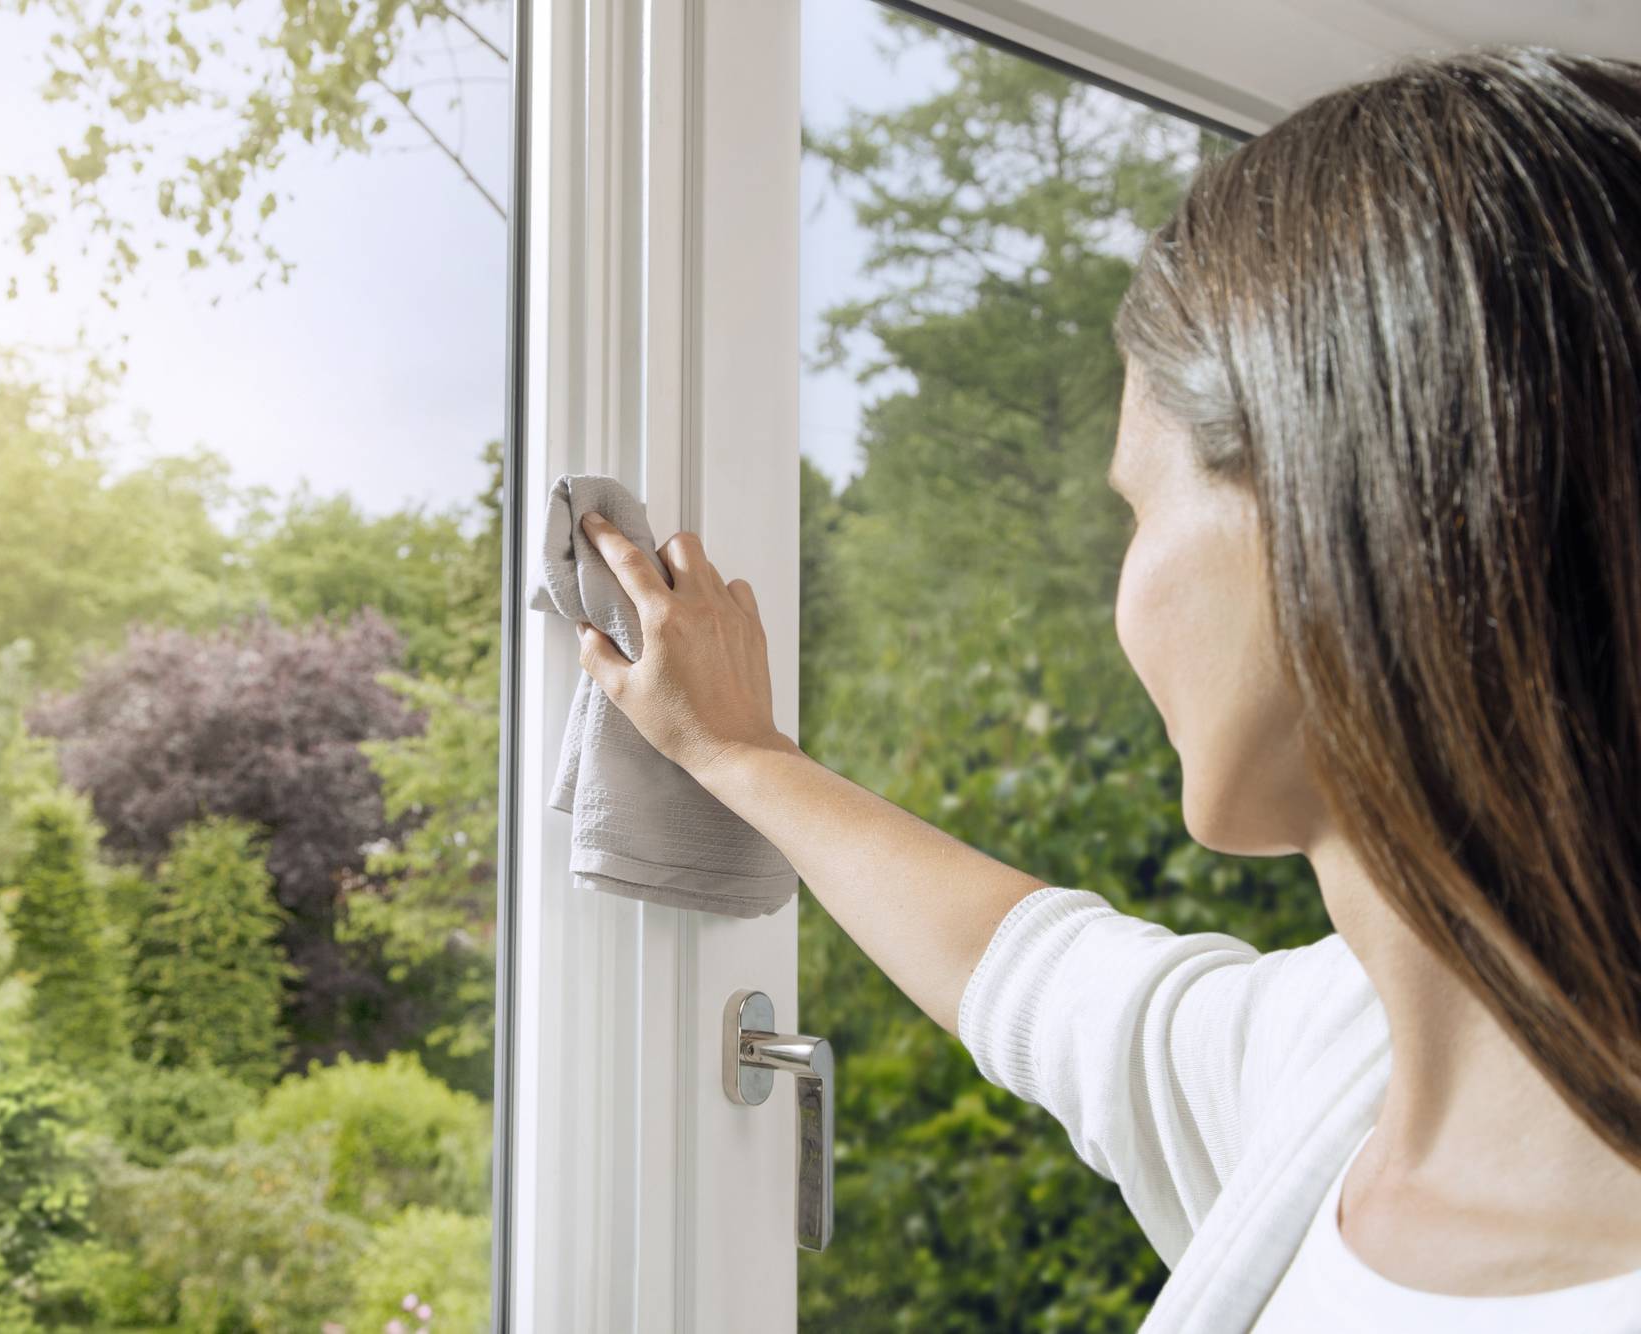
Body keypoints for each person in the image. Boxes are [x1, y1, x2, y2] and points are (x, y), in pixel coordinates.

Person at [568, 43, 1641, 1334]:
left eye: (1138, 509)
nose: (1121, 599)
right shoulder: (1345, 1067)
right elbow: (1041, 973)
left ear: (1339, 510)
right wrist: (743, 758)